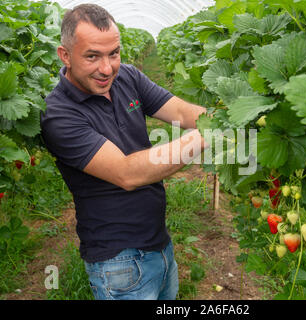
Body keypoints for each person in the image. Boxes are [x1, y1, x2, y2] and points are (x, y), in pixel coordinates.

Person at [40, 3, 208, 300]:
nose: (107, 68)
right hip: (119, 262)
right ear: (64, 55)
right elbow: (127, 173)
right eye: (92, 56)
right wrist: (207, 137)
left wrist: (230, 117)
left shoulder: (126, 77)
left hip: (160, 243)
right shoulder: (57, 114)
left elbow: (182, 111)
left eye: (113, 53)